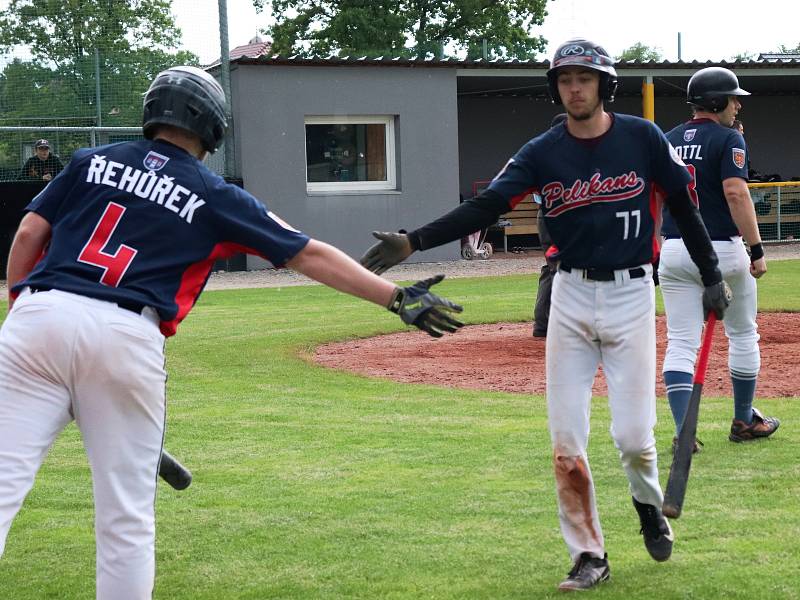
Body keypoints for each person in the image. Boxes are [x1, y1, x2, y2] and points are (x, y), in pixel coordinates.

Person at [0, 66, 464, 600]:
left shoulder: (89, 160)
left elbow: (30, 233)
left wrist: (22, 315)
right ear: (213, 130)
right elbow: (306, 253)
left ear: (152, 112)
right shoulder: (211, 192)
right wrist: (397, 296)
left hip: (40, 313)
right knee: (125, 520)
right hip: (126, 334)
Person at [360, 38, 731, 591]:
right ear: (555, 88)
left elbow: (682, 204)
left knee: (635, 439)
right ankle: (589, 554)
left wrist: (712, 273)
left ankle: (648, 507)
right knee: (566, 443)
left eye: (584, 78)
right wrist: (415, 241)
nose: (574, 88)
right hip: (571, 296)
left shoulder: (642, 137)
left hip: (631, 295)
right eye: (564, 79)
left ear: (604, 85)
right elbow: (487, 206)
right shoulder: (542, 151)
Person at [660, 67, 779, 449]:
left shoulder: (667, 139)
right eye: (732, 98)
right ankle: (744, 420)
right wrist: (757, 249)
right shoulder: (729, 139)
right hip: (722, 248)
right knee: (743, 333)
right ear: (716, 102)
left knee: (680, 340)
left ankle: (684, 431)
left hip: (676, 247)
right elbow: (735, 194)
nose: (738, 104)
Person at [532, 112, 567, 337]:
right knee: (563, 269)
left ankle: (542, 324)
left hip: (545, 214)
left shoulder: (540, 152)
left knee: (552, 267)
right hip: (561, 216)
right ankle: (558, 326)